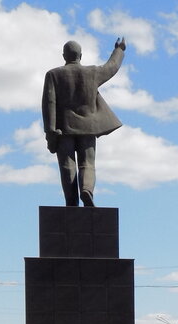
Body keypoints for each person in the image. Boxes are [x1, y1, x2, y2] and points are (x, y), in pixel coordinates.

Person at [42, 38, 126, 207]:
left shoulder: (53, 74)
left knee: (67, 165)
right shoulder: (92, 73)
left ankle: (71, 202)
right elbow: (111, 67)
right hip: (88, 127)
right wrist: (119, 50)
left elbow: (49, 103)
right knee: (87, 163)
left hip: (63, 129)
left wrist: (50, 130)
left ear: (64, 55)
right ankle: (87, 189)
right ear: (81, 56)